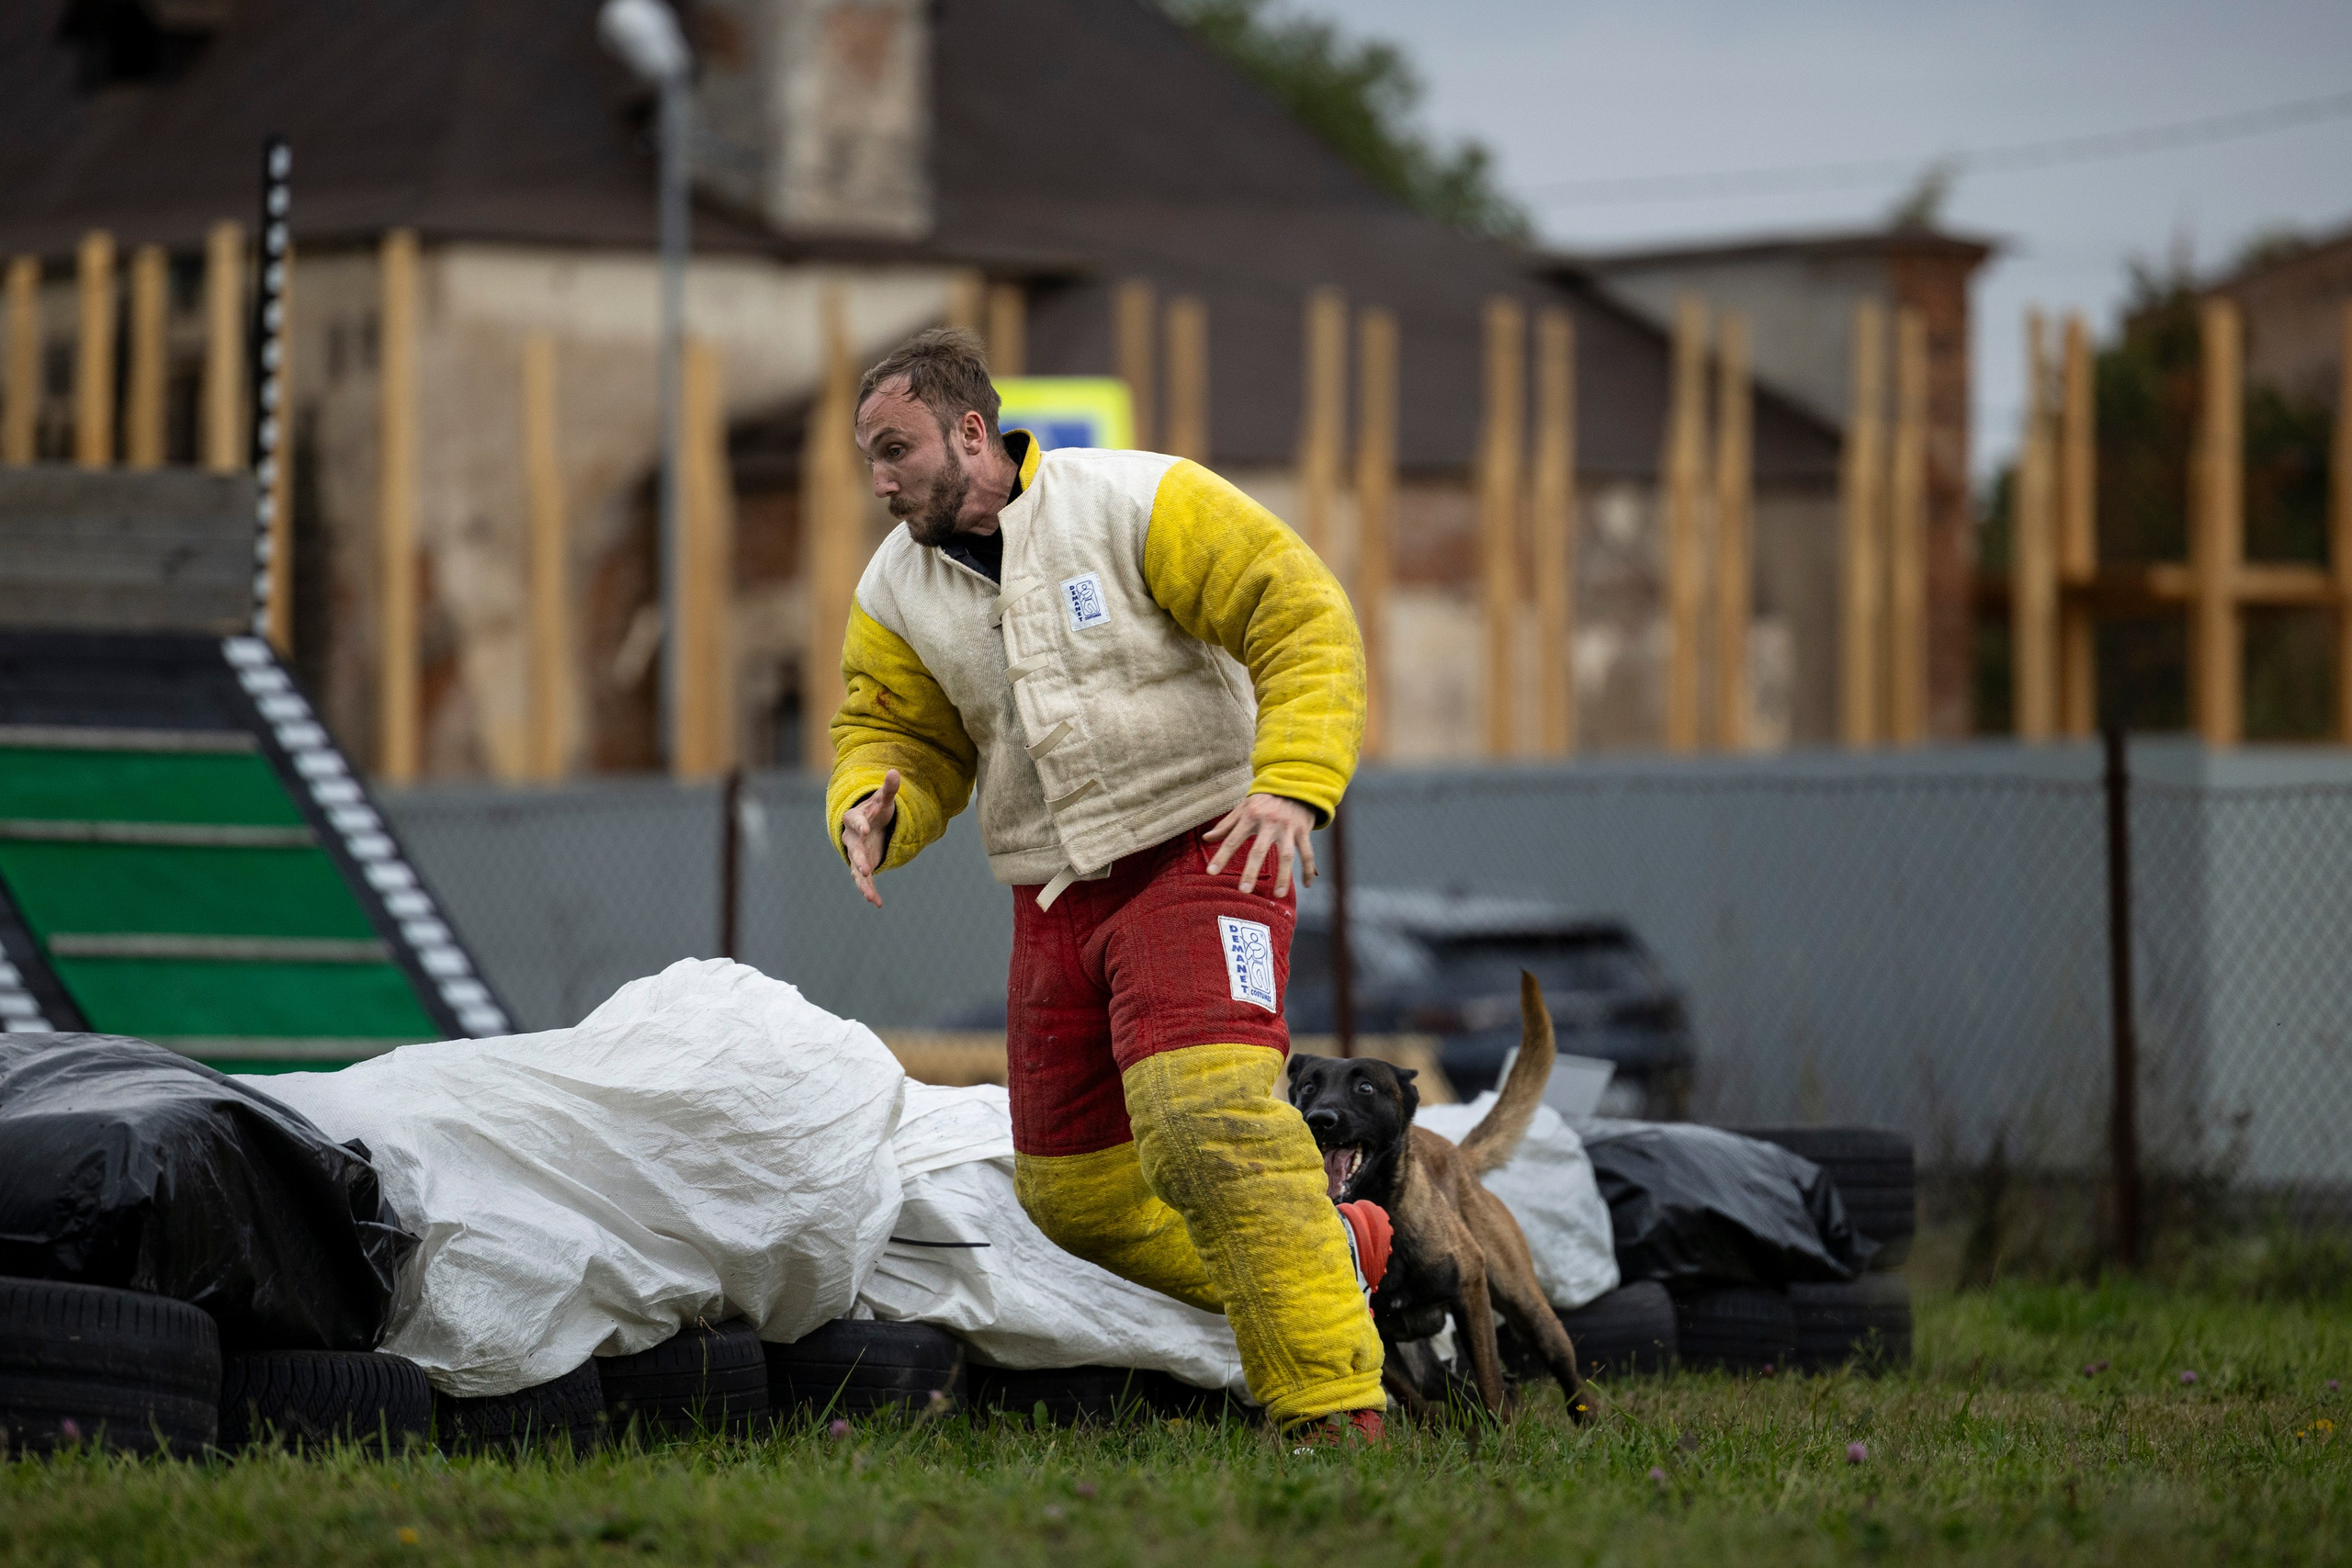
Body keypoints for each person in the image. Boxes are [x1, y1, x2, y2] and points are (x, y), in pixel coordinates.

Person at [827, 327, 1385, 1445]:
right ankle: (1347, 1254)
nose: (880, 481)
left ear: (970, 432)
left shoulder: (1141, 500)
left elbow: (1300, 615)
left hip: (1204, 849)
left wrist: (1291, 786)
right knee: (1073, 1198)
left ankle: (1332, 1407)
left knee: (1205, 1122)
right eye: (867, 458)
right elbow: (894, 728)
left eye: (896, 450)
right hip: (1051, 893)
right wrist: (876, 799)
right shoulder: (893, 589)